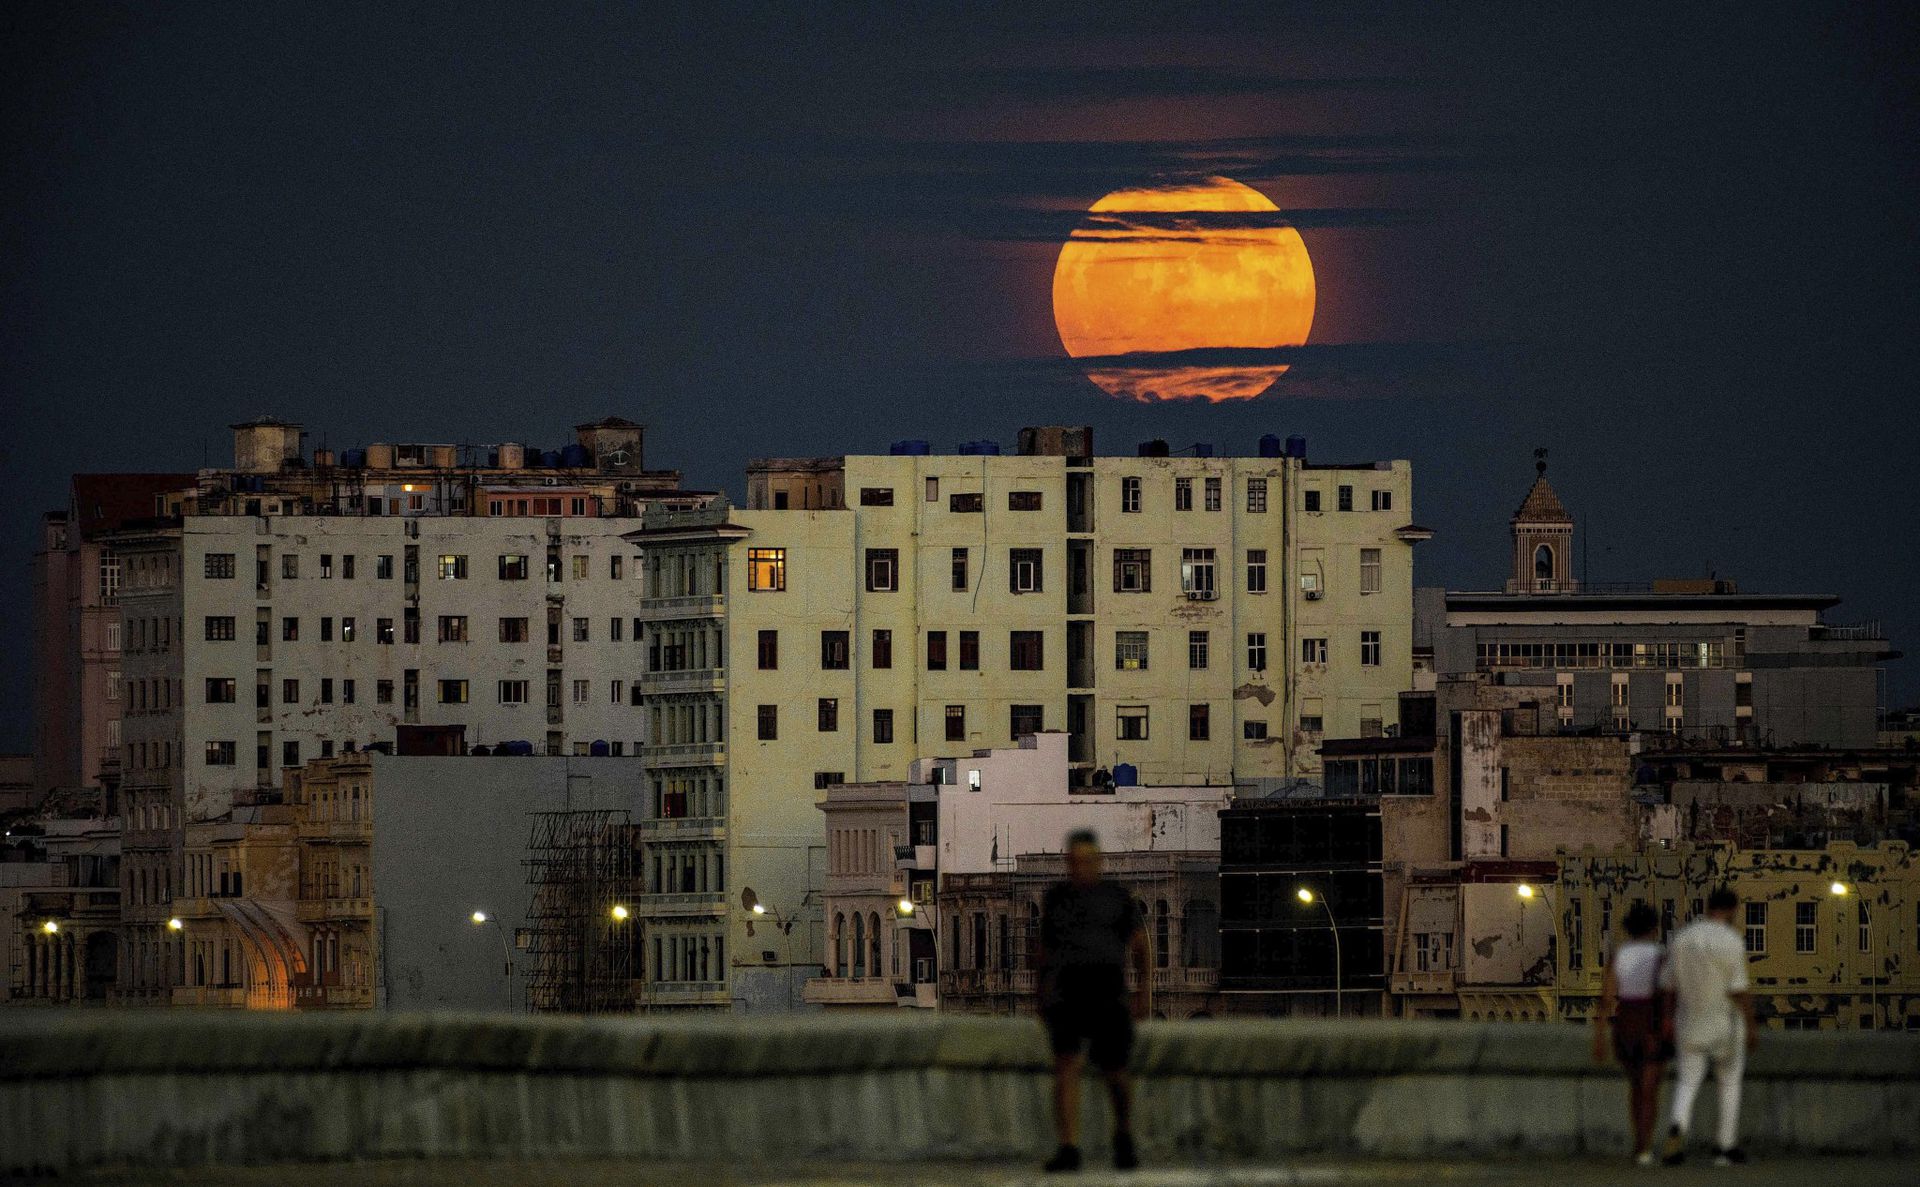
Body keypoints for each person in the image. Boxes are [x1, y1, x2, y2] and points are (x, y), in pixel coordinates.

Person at [1037, 829, 1152, 1173]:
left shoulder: (1117, 897)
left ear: (1098, 862)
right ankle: (1069, 1146)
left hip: (1108, 993)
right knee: (1066, 1067)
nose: (1080, 868)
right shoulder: (1057, 898)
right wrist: (1041, 995)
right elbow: (1043, 951)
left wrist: (1143, 992)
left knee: (1116, 1072)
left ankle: (1123, 1135)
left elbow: (1140, 946)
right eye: (1075, 862)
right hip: (1068, 994)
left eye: (1087, 861)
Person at [1660, 886, 1757, 1166]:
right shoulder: (1731, 941)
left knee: (1687, 1082)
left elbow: (1668, 986)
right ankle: (1725, 1146)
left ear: (1707, 907)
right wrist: (1751, 1026)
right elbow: (1738, 990)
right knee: (1729, 1083)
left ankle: (1677, 1129)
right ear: (1732, 910)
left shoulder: (1683, 938)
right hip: (1724, 1023)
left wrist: (1667, 1020)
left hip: (1689, 1021)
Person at [1592, 902, 1669, 1164]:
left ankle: (1639, 1141)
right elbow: (1668, 994)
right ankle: (1645, 1145)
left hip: (1626, 1023)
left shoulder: (1619, 956)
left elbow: (1606, 999)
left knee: (1636, 1086)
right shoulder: (1660, 955)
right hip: (1651, 1024)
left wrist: (1599, 1037)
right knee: (1650, 1089)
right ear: (1654, 928)